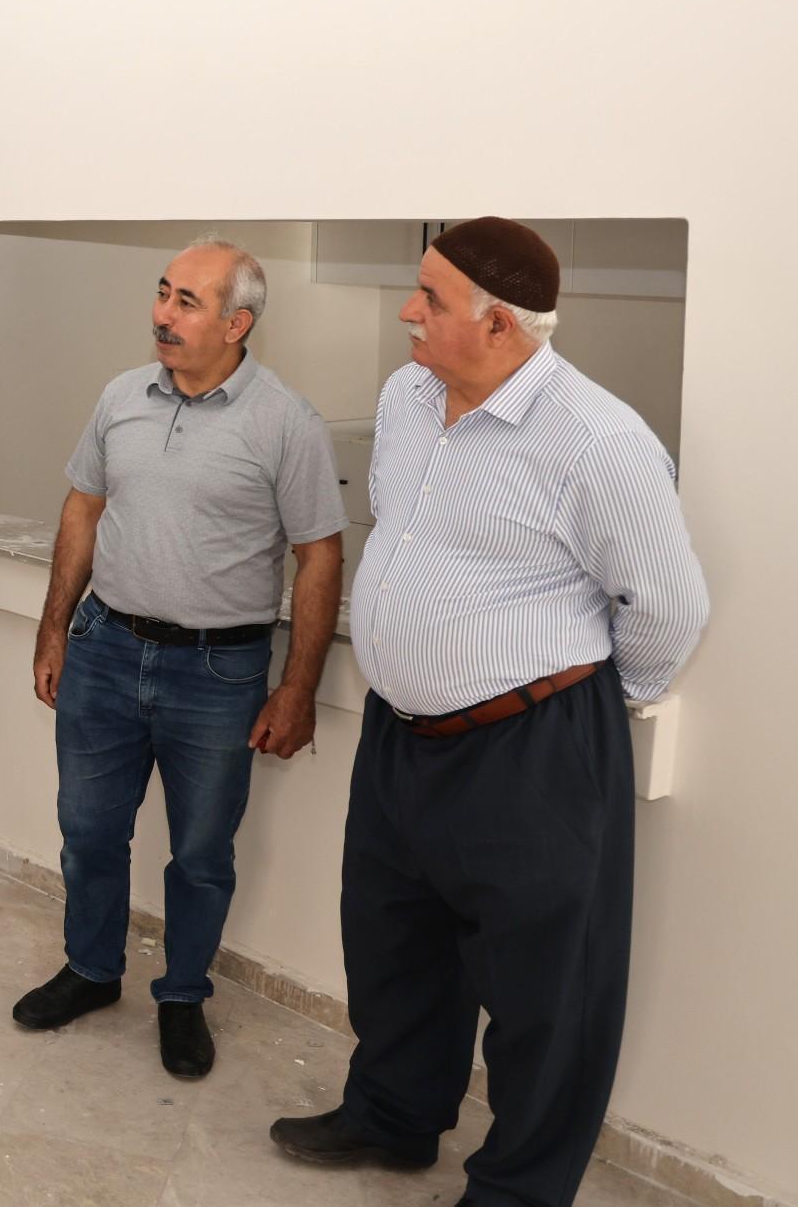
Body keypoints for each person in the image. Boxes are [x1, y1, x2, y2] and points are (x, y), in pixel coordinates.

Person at [268, 218, 709, 1207]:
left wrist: (579, 706)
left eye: (429, 298)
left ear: (500, 324)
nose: (406, 311)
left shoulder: (598, 441)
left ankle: (517, 1190)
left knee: (543, 989)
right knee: (392, 940)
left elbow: (670, 608)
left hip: (531, 750)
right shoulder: (406, 397)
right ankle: (394, 1115)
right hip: (401, 736)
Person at [17, 237, 347, 1080]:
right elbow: (83, 507)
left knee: (201, 854)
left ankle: (182, 994)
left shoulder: (287, 422)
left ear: (237, 324)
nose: (163, 314)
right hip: (104, 650)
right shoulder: (121, 396)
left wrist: (298, 687)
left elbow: (319, 556)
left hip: (217, 674)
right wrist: (54, 627)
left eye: (186, 302)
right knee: (88, 832)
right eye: (163, 293)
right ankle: (92, 970)